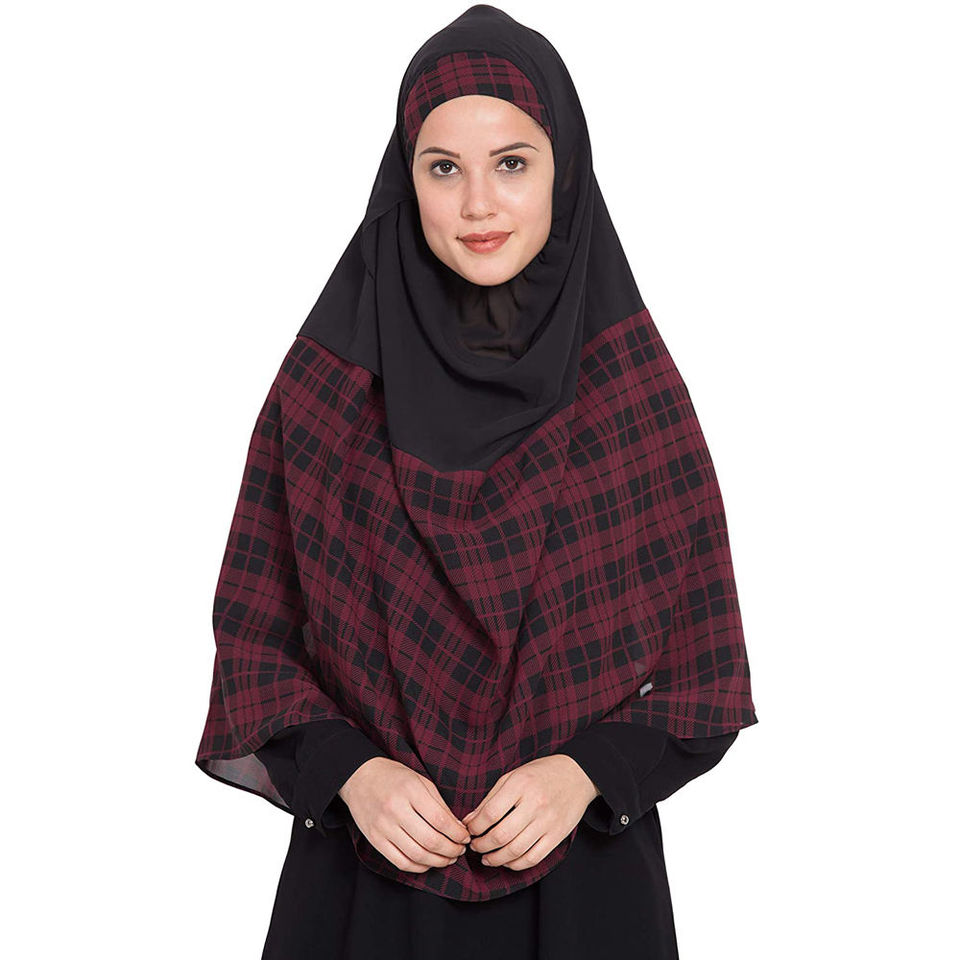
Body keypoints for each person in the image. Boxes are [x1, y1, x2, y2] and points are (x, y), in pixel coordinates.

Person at [194, 6, 758, 958]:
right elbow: (253, 646)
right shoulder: (327, 392)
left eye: (512, 163)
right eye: (443, 168)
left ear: (564, 170)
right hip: (364, 888)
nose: (478, 205)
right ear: (404, 176)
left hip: (583, 894)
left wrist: (583, 772)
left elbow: (705, 675)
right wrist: (354, 773)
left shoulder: (632, 394)